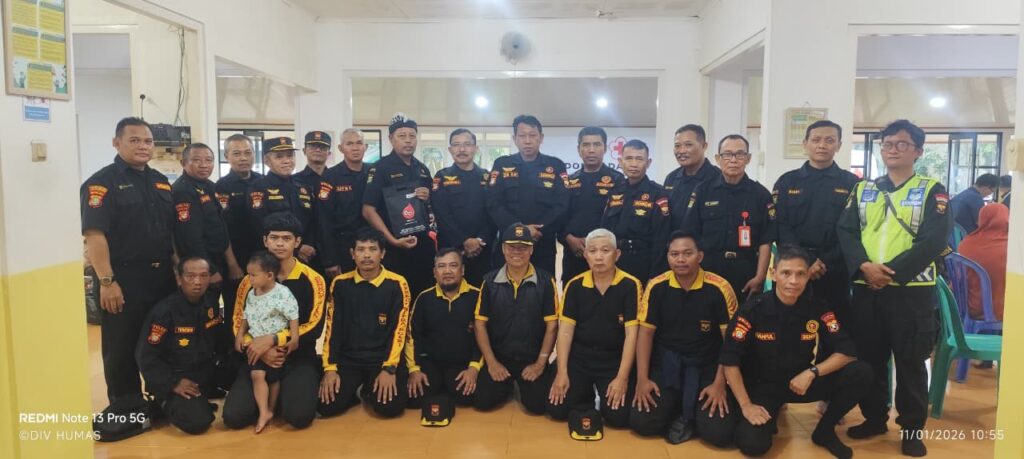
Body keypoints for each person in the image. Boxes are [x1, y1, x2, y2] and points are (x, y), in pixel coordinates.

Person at [837, 119, 952, 457]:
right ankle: (874, 418)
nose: (893, 150)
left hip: (911, 291)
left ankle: (912, 428)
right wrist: (864, 266)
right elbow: (846, 231)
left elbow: (934, 240)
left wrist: (890, 272)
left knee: (910, 361)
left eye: (902, 144)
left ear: (918, 151)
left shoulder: (932, 190)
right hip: (867, 288)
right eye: (887, 144)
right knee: (869, 358)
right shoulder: (864, 189)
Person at [704, 245, 872, 459]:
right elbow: (730, 360)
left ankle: (825, 431)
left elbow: (847, 351)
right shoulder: (752, 310)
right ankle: (766, 415)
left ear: (808, 276)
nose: (793, 281)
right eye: (786, 273)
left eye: (800, 274)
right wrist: (746, 406)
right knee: (753, 445)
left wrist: (812, 372)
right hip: (763, 387)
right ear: (773, 274)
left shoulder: (817, 307)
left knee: (861, 372)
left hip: (799, 382)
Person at [82, 117, 177, 409]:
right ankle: (127, 406)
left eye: (148, 141)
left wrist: (177, 268)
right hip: (123, 279)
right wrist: (107, 281)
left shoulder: (160, 181)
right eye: (134, 140)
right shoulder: (101, 183)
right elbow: (94, 235)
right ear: (117, 143)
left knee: (161, 339)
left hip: (161, 277)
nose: (143, 146)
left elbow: (170, 231)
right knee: (121, 346)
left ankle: (162, 399)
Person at [629, 232, 737, 444]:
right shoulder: (657, 286)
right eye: (674, 254)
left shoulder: (720, 288)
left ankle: (690, 413)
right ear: (667, 256)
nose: (680, 259)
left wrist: (719, 383)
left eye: (688, 253)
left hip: (707, 367)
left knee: (719, 434)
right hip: (667, 364)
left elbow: (730, 342)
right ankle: (680, 409)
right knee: (642, 422)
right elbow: (645, 334)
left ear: (700, 256)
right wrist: (642, 379)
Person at [223, 212, 326, 430]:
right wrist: (256, 347)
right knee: (234, 418)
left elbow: (314, 326)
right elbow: (238, 320)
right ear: (265, 240)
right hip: (256, 357)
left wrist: (273, 340)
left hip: (297, 357)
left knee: (299, 417)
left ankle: (293, 390)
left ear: (297, 242)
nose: (280, 243)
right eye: (274, 237)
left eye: (286, 238)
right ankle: (271, 399)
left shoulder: (314, 279)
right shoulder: (249, 281)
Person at [771, 120, 860, 361]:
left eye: (830, 140)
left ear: (839, 145)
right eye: (816, 140)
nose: (822, 145)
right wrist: (806, 262)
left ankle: (830, 381)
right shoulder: (787, 182)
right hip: (796, 271)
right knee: (791, 330)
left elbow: (852, 230)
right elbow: (781, 225)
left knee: (835, 330)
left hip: (835, 269)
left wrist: (824, 261)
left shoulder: (852, 184)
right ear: (805, 144)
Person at [547, 229, 642, 428]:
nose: (599, 257)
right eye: (592, 251)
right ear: (585, 255)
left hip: (613, 360)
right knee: (557, 408)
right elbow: (565, 332)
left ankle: (599, 393)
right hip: (580, 358)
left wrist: (622, 378)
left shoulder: (631, 285)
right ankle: (585, 394)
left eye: (605, 250)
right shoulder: (575, 285)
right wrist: (562, 372)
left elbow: (632, 335)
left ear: (617, 254)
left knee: (619, 417)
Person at [318, 228, 412, 418]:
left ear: (382, 253)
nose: (367, 255)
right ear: (352, 254)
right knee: (326, 406)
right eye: (361, 249)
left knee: (389, 408)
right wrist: (330, 369)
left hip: (382, 358)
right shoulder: (340, 283)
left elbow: (399, 330)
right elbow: (332, 328)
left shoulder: (397, 283)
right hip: (349, 359)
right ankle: (353, 393)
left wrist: (389, 368)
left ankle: (369, 389)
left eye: (372, 249)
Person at [173, 143, 244, 392]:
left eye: (208, 160)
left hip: (220, 262)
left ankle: (220, 373)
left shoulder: (209, 187)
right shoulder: (182, 191)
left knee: (218, 320)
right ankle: (200, 380)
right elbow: (190, 238)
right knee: (203, 321)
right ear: (183, 163)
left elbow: (220, 230)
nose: (204, 165)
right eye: (197, 160)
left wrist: (232, 262)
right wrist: (209, 272)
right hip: (202, 269)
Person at [473, 223, 559, 414]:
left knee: (538, 406)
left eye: (523, 247)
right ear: (503, 249)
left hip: (531, 357)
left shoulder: (546, 281)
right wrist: (492, 362)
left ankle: (537, 375)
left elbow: (552, 326)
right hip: (500, 357)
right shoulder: (489, 281)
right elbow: (479, 325)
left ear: (531, 250)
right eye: (512, 247)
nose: (517, 252)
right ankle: (508, 385)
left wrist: (540, 364)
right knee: (482, 401)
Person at [135, 256, 220, 435]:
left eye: (203, 275)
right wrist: (173, 383)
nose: (197, 282)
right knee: (199, 422)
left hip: (204, 372)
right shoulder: (164, 312)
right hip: (176, 377)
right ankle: (162, 403)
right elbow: (146, 356)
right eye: (191, 276)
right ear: (179, 278)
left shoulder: (211, 302)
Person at [684, 134, 774, 299]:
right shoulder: (702, 191)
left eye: (740, 154)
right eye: (727, 154)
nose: (733, 160)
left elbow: (765, 241)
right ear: (718, 158)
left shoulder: (760, 194)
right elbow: (691, 234)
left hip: (746, 271)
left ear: (748, 158)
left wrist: (760, 277)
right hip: (708, 270)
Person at [362, 114, 437, 295]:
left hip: (422, 245)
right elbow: (368, 210)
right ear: (391, 139)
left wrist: (428, 198)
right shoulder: (380, 168)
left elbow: (432, 206)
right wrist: (392, 240)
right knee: (395, 297)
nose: (408, 140)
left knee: (423, 295)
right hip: (394, 247)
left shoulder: (422, 169)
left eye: (412, 136)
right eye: (402, 136)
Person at [486, 115, 570, 276]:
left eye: (532, 135)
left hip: (542, 243)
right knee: (504, 288)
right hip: (509, 244)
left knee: (543, 287)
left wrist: (537, 229)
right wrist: (521, 230)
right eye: (522, 136)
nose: (527, 141)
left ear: (541, 138)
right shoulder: (502, 164)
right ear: (515, 139)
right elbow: (493, 203)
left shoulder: (555, 165)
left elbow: (562, 204)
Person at [406, 248, 483, 407]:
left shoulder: (478, 296)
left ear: (463, 270)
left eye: (453, 265)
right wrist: (414, 369)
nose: (447, 271)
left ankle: (445, 387)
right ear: (434, 272)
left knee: (469, 397)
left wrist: (474, 368)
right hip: (431, 363)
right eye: (441, 266)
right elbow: (412, 335)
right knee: (413, 398)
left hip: (464, 364)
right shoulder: (424, 298)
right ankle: (440, 386)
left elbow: (485, 336)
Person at [234, 251, 300, 433]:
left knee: (273, 378)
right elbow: (245, 316)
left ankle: (270, 409)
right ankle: (264, 411)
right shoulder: (251, 293)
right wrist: (240, 335)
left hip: (275, 345)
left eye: (253, 275)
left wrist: (294, 338)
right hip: (255, 345)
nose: (249, 279)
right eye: (248, 274)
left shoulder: (282, 293)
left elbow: (293, 316)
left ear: (269, 275)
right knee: (257, 375)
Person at [215, 134, 264, 366]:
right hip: (235, 261)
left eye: (247, 153)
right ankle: (235, 362)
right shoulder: (221, 187)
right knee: (236, 310)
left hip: (263, 261)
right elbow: (222, 230)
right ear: (227, 156)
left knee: (263, 308)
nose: (243, 158)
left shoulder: (263, 182)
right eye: (236, 153)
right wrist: (233, 264)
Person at [600, 139, 670, 283]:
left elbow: (662, 238)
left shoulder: (658, 193)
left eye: (639, 159)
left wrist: (655, 274)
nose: (634, 164)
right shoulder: (615, 191)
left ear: (648, 163)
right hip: (615, 261)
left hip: (643, 263)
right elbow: (605, 229)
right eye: (629, 158)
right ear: (620, 162)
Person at [431, 128, 495, 286]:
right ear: (450, 149)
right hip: (451, 250)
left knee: (482, 293)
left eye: (467, 144)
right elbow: (441, 214)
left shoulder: (487, 177)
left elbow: (494, 211)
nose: (461, 149)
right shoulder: (442, 176)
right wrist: (464, 241)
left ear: (476, 148)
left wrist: (479, 241)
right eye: (456, 145)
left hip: (482, 250)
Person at [560, 127, 624, 283]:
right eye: (586, 145)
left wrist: (600, 244)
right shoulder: (569, 181)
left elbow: (620, 219)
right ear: (579, 149)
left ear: (605, 148)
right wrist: (568, 238)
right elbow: (559, 215)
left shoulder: (618, 180)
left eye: (597, 144)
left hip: (605, 256)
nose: (591, 150)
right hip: (574, 254)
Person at [248, 137, 319, 267]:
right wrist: (297, 247)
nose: (287, 161)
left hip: (307, 257)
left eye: (290, 156)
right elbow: (259, 225)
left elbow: (313, 220)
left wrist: (308, 244)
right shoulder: (258, 188)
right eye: (279, 157)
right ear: (267, 161)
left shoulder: (303, 186)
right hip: (273, 259)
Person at [957, 203, 1009, 321]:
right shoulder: (1013, 247)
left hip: (972, 309)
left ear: (981, 219)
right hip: (1004, 311)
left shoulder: (965, 244)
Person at [663, 124, 719, 231]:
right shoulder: (671, 178)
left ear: (704, 146)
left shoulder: (718, 178)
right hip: (673, 240)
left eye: (688, 145)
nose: (681, 151)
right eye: (677, 146)